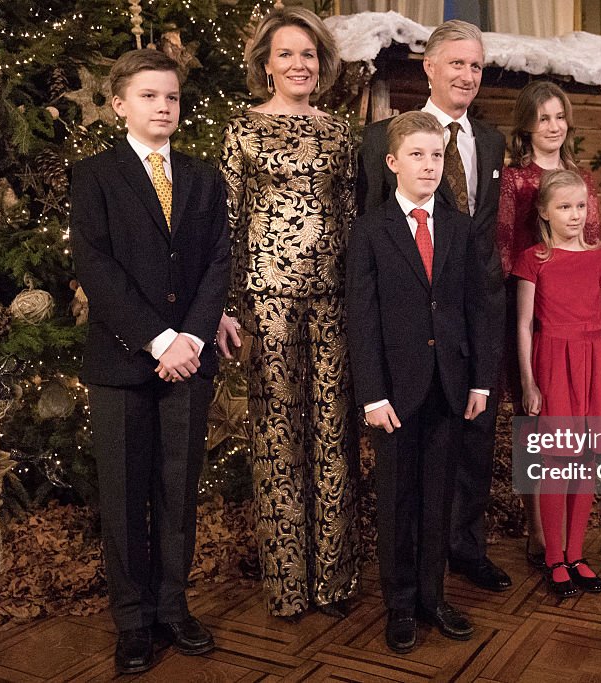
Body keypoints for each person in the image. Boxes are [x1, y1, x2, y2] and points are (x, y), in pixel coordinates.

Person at [70, 49, 229, 674]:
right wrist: (160, 340)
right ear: (119, 105)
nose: (164, 106)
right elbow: (96, 268)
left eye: (171, 97)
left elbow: (219, 259)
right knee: (126, 495)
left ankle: (172, 607)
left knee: (176, 493)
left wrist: (191, 337)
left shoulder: (201, 175)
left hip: (189, 361)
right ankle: (132, 619)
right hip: (123, 362)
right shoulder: (95, 176)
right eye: (149, 96)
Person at [356, 19, 510, 594]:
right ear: (429, 66)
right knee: (410, 463)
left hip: (475, 314)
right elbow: (377, 234)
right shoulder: (381, 140)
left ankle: (462, 549)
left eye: (476, 65)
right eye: (457, 63)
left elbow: (488, 231)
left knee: (471, 441)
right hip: (409, 328)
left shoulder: (489, 140)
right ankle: (410, 579)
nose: (467, 75)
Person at [216, 6, 359, 619]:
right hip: (266, 302)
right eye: (286, 54)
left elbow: (352, 221)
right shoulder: (242, 130)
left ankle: (333, 582)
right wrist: (228, 307)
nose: (298, 64)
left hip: (333, 300)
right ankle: (287, 586)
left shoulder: (339, 131)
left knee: (332, 433)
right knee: (278, 438)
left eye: (308, 54)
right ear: (266, 64)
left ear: (321, 63)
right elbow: (226, 225)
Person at [347, 111, 500, 653]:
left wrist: (481, 381)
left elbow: (480, 309)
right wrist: (372, 393)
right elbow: (362, 319)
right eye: (417, 155)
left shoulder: (459, 227)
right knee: (397, 499)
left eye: (436, 156)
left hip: (450, 385)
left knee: (439, 496)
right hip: (394, 391)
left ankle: (434, 596)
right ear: (392, 164)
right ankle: (402, 603)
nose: (429, 165)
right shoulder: (370, 230)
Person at [495, 80, 601, 568]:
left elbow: (593, 241)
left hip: (577, 324)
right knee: (534, 424)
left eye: (560, 116)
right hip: (531, 314)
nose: (553, 126)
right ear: (527, 126)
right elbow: (503, 246)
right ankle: (537, 529)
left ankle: (567, 537)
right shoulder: (516, 179)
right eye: (543, 118)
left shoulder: (582, 178)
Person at [513, 169, 601, 597]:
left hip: (595, 362)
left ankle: (577, 553)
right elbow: (523, 325)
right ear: (544, 212)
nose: (575, 215)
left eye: (580, 206)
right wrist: (529, 382)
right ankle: (554, 557)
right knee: (557, 463)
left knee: (587, 461)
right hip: (553, 362)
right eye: (564, 207)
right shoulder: (533, 259)